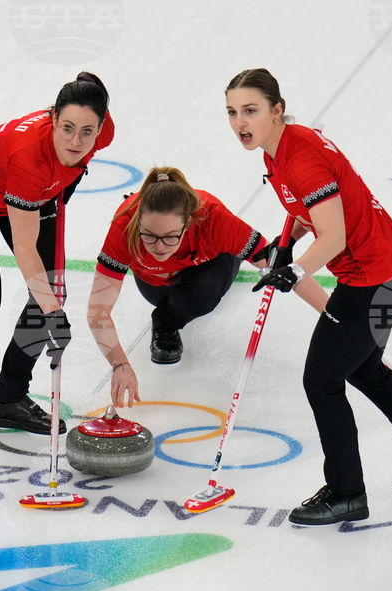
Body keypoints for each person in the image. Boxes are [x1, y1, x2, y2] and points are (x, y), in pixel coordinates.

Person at [225, 68, 392, 525]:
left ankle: (346, 492)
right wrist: (285, 243)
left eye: (251, 111)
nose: (241, 122)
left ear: (277, 110)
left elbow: (332, 236)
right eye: (233, 113)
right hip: (388, 269)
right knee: (367, 371)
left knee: (322, 380)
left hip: (374, 279)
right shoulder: (284, 146)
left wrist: (291, 271)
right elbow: (306, 209)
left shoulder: (301, 159)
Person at [0, 72, 114, 435]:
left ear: (101, 127)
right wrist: (54, 317)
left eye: (87, 132)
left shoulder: (99, 132)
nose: (76, 141)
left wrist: (50, 308)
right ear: (53, 118)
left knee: (50, 292)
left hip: (34, 194)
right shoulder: (30, 158)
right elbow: (25, 248)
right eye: (67, 128)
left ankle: (9, 399)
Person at [87, 166, 328, 409]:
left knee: (202, 293)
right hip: (156, 284)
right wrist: (120, 364)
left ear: (189, 220)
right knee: (173, 294)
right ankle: (169, 310)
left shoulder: (212, 218)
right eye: (149, 236)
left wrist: (330, 313)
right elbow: (98, 311)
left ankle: (166, 321)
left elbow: (280, 268)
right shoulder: (125, 225)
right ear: (138, 222)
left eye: (171, 236)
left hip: (211, 265)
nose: (159, 247)